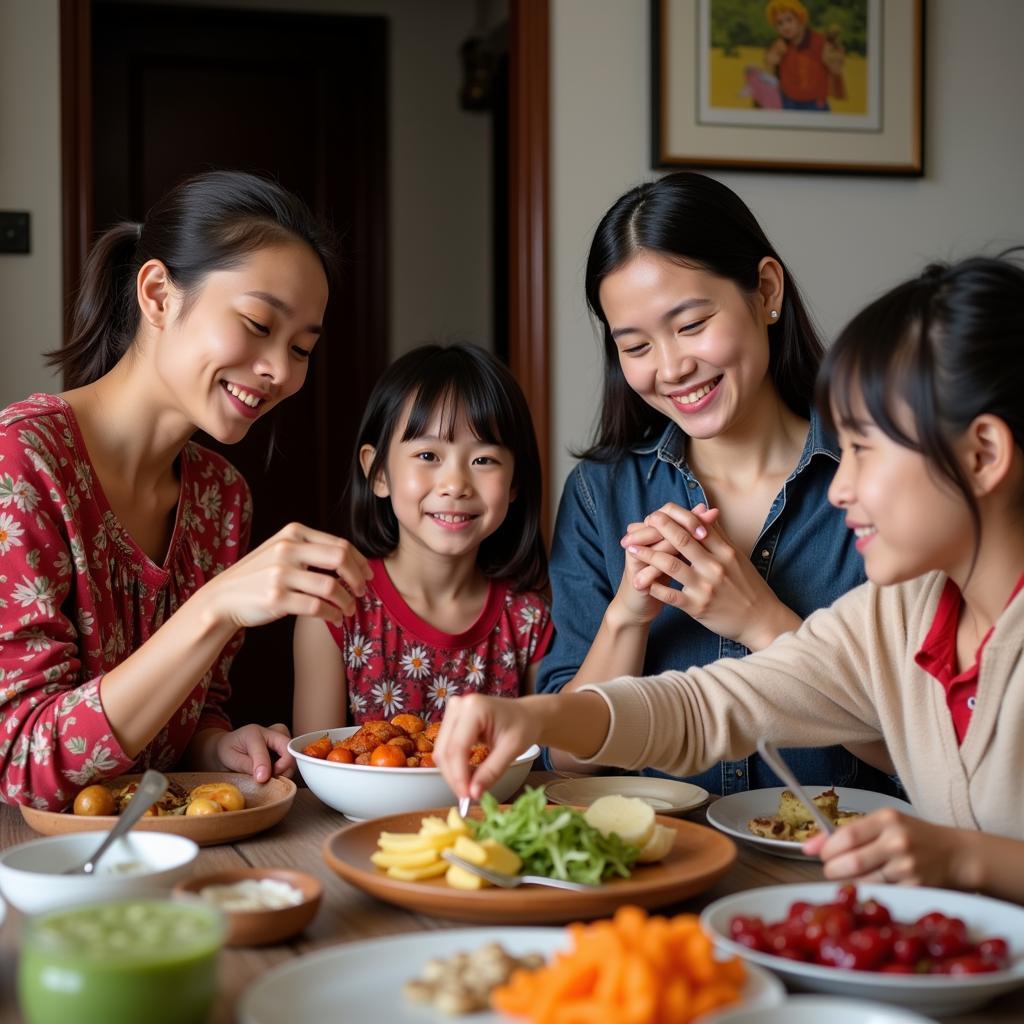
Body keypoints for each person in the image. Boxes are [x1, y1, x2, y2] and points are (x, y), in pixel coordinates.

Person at [435, 254, 1024, 903]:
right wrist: (536, 716)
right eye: (635, 343)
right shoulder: (900, 614)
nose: (841, 487)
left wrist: (969, 860)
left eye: (865, 448)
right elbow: (706, 707)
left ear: (983, 454)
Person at [0, 170, 373, 811]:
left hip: (162, 850)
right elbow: (21, 762)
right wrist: (213, 607)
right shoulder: (21, 462)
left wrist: (218, 746)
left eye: (303, 348)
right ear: (158, 294)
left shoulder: (220, 496)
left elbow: (189, 713)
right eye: (258, 323)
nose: (281, 371)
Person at [537, 170, 895, 797]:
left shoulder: (879, 479)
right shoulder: (601, 494)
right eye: (636, 344)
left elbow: (915, 746)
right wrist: (627, 617)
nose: (672, 368)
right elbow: (567, 758)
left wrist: (762, 621)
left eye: (692, 323)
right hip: (659, 869)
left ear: (764, 290)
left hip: (833, 875)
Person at [292, 343, 551, 734]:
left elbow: (550, 757)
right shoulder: (332, 607)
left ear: (515, 482)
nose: (455, 484)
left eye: (483, 460)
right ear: (378, 472)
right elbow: (316, 762)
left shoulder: (529, 618)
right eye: (428, 456)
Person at [763, 0, 845, 111]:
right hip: (787, 102)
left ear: (800, 19)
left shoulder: (819, 42)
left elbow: (836, 70)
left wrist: (834, 61)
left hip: (815, 104)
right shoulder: (779, 45)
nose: (785, 27)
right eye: (780, 23)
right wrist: (770, 62)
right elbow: (770, 74)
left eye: (789, 20)